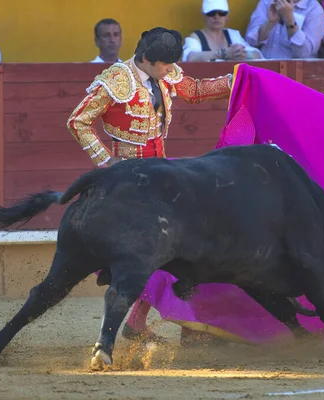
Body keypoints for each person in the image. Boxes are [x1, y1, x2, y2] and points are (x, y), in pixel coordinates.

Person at [66, 26, 233, 344]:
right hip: (131, 183)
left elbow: (194, 90)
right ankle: (156, 322)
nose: (171, 71)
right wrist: (106, 161)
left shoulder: (163, 70)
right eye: (166, 65)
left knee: (182, 246)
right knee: (160, 251)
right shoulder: (116, 80)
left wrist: (232, 82)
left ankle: (158, 321)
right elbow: (78, 120)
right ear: (147, 59)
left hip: (162, 175)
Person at [182, 0, 263, 61]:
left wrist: (245, 54)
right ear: (204, 16)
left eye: (221, 13)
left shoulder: (233, 35)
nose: (216, 17)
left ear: (226, 17)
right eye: (211, 13)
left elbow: (257, 55)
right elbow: (190, 57)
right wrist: (223, 53)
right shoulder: (196, 37)